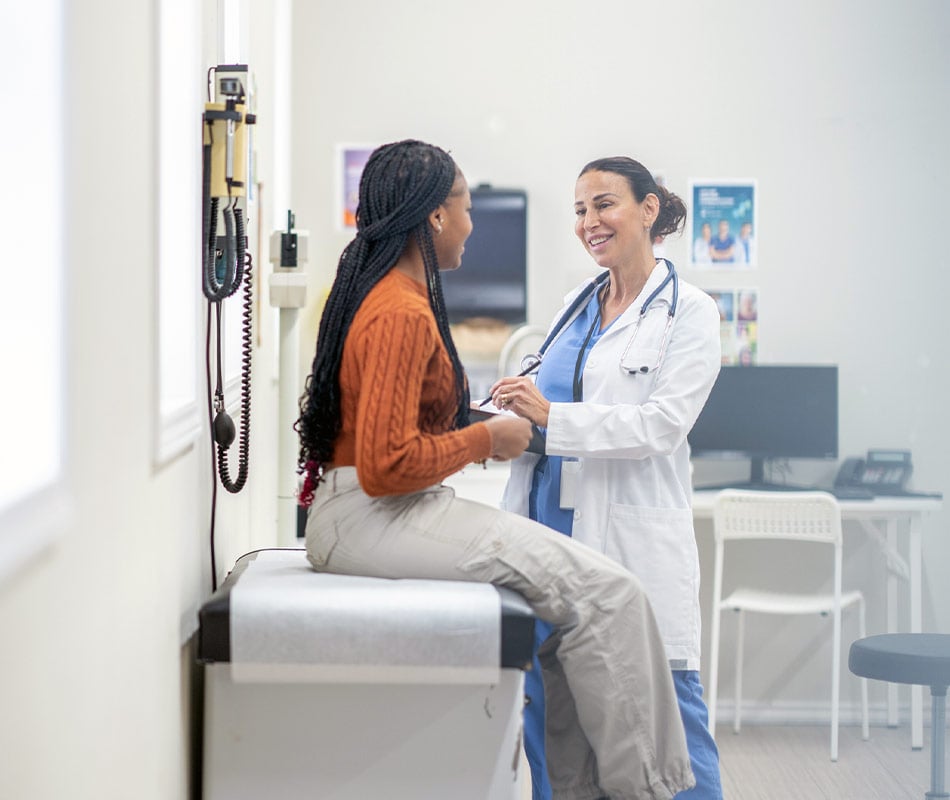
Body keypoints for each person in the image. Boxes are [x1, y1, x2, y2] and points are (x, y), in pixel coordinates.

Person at [296, 140, 694, 800]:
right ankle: (652, 792)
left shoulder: (388, 294)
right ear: (434, 217)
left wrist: (477, 420)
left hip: (366, 511)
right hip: (374, 515)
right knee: (613, 594)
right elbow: (387, 466)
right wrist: (488, 439)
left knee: (578, 611)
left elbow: (390, 441)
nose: (473, 224)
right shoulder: (400, 310)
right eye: (466, 208)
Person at [490, 156, 723, 799]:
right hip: (546, 539)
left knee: (667, 723)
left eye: (604, 204)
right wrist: (497, 415)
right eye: (580, 210)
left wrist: (550, 416)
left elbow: (661, 426)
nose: (589, 222)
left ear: (649, 211)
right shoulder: (577, 304)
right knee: (553, 720)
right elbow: (541, 399)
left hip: (626, 545)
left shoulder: (690, 312)